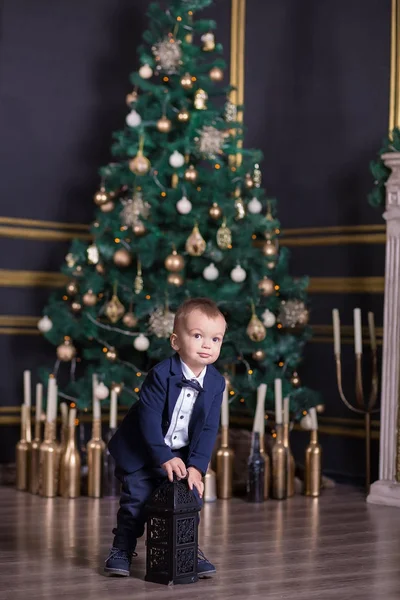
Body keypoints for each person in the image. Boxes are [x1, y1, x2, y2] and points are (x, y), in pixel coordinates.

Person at [104, 297, 227, 578]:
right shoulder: (160, 375)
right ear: (175, 341)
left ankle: (187, 550)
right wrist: (163, 457)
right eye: (198, 336)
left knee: (189, 498)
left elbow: (209, 428)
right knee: (136, 500)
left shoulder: (216, 382)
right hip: (142, 451)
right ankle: (122, 548)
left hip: (180, 454)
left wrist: (196, 467)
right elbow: (148, 422)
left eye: (216, 339)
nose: (208, 345)